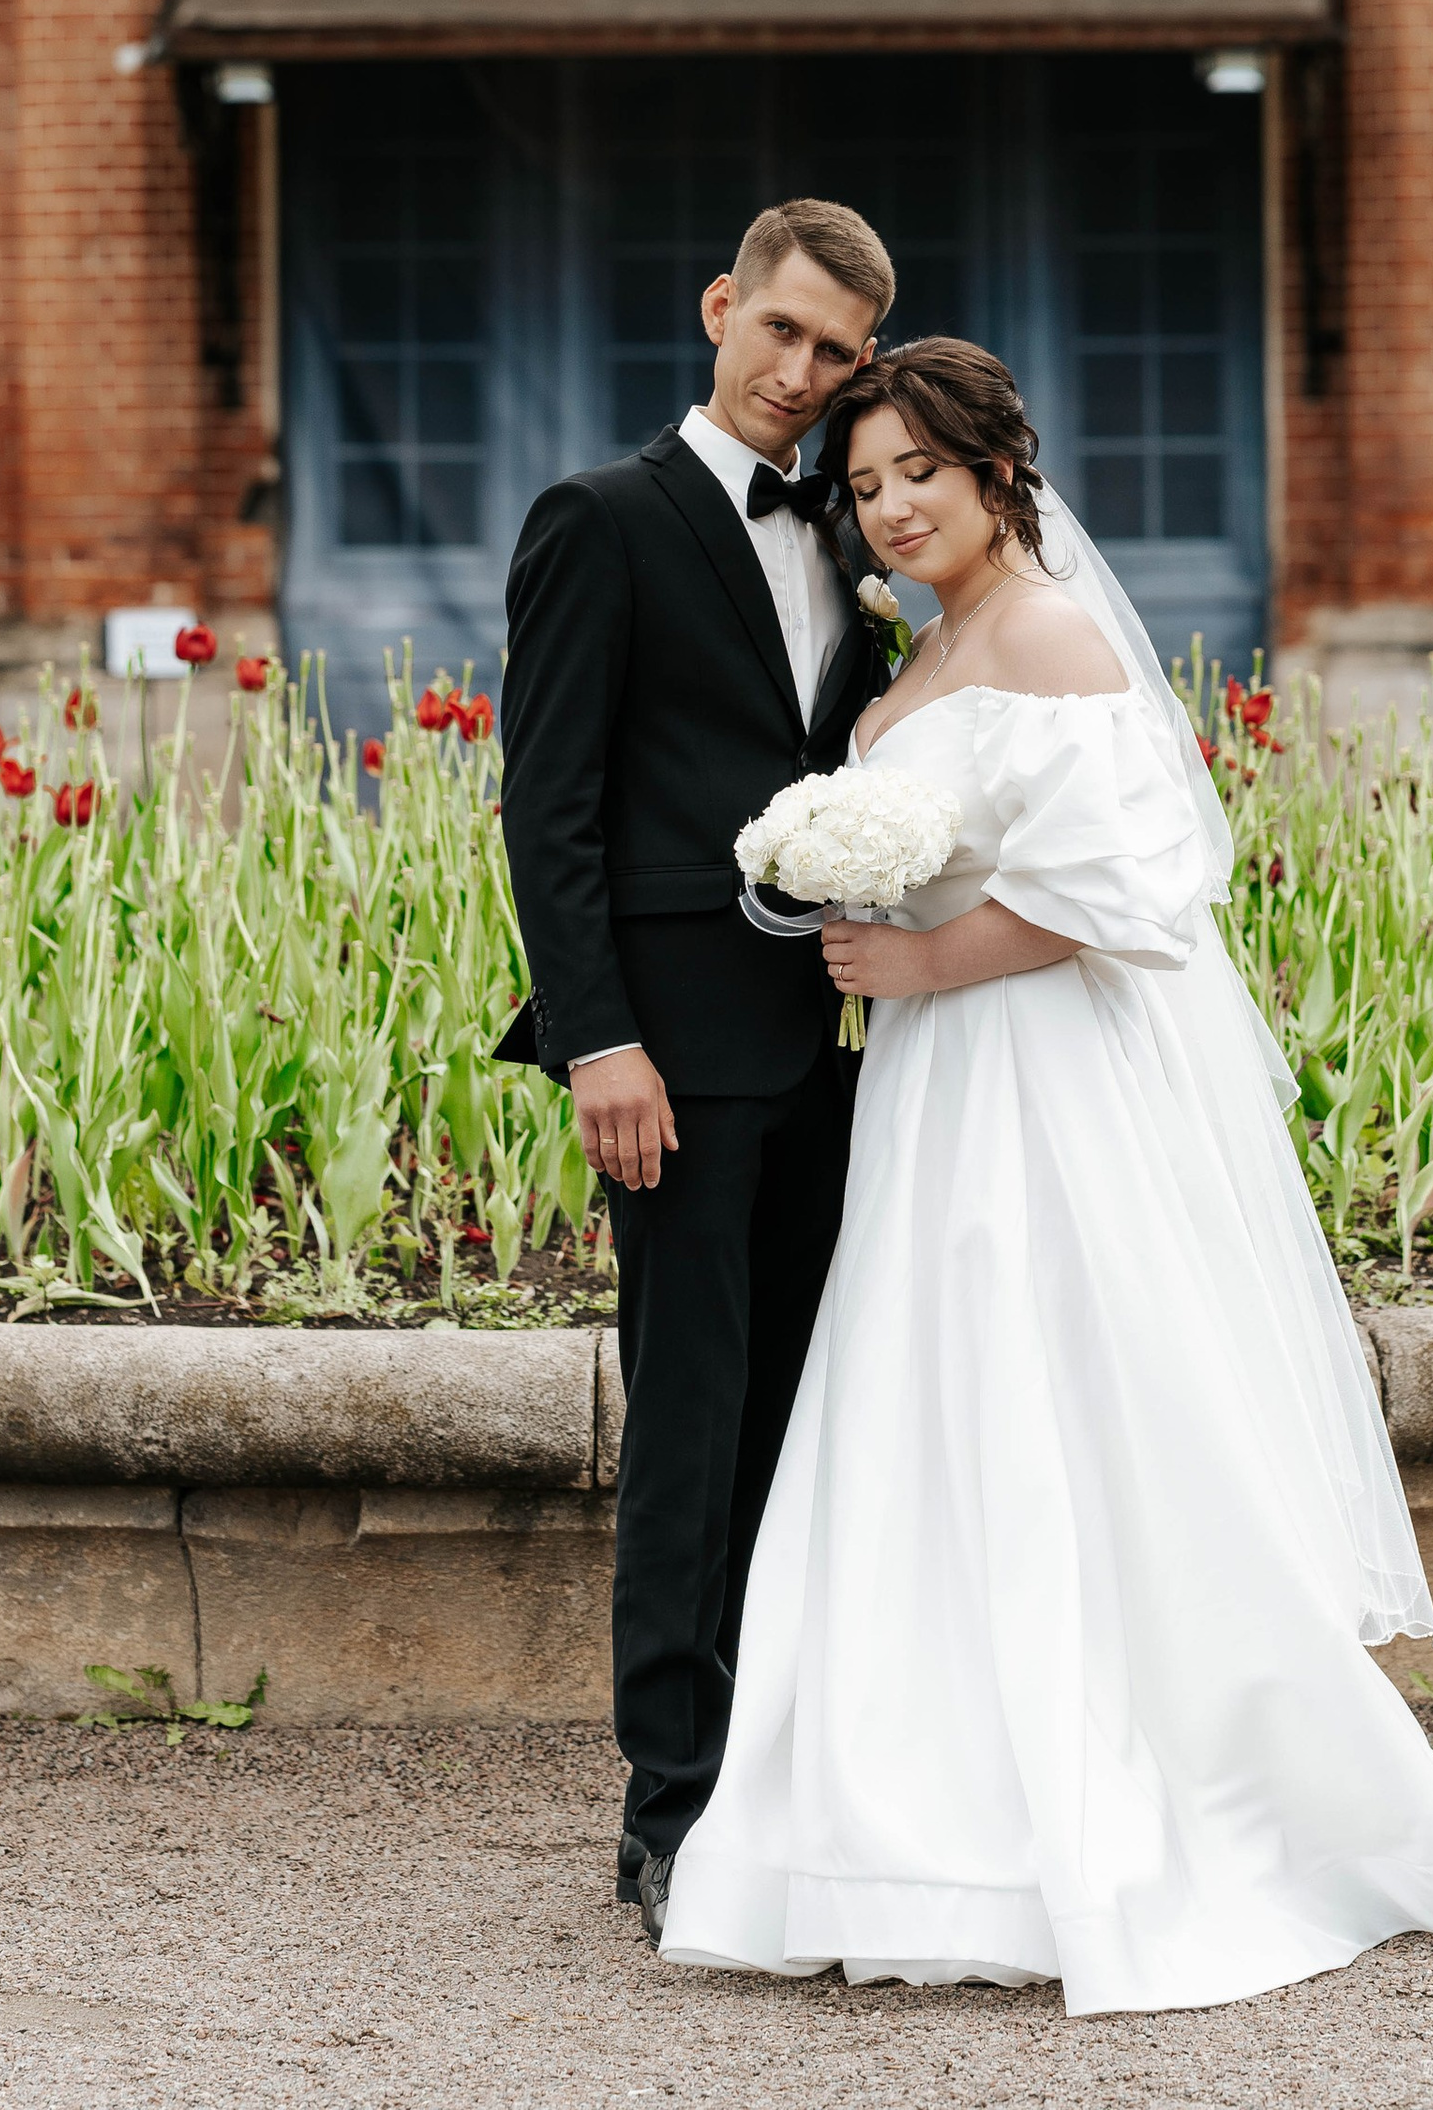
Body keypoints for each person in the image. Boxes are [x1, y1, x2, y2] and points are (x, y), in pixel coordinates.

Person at [658, 336, 1433, 2018]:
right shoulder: (919, 654)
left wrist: (922, 968)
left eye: (919, 470)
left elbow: (1132, 890)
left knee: (1067, 1402)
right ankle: (914, 1818)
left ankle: (1153, 1815)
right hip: (935, 1091)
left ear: (998, 470)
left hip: (1034, 1080)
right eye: (862, 488)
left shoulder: (1052, 634)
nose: (891, 508)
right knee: (930, 1412)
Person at [496, 198, 897, 1943]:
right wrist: (598, 1038)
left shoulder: (855, 536)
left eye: (836, 358)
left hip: (833, 1057)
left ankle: (799, 1774)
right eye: (782, 335)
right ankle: (673, 1809)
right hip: (667, 1063)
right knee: (688, 1434)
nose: (800, 379)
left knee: (806, 1425)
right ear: (721, 305)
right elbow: (548, 804)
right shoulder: (601, 520)